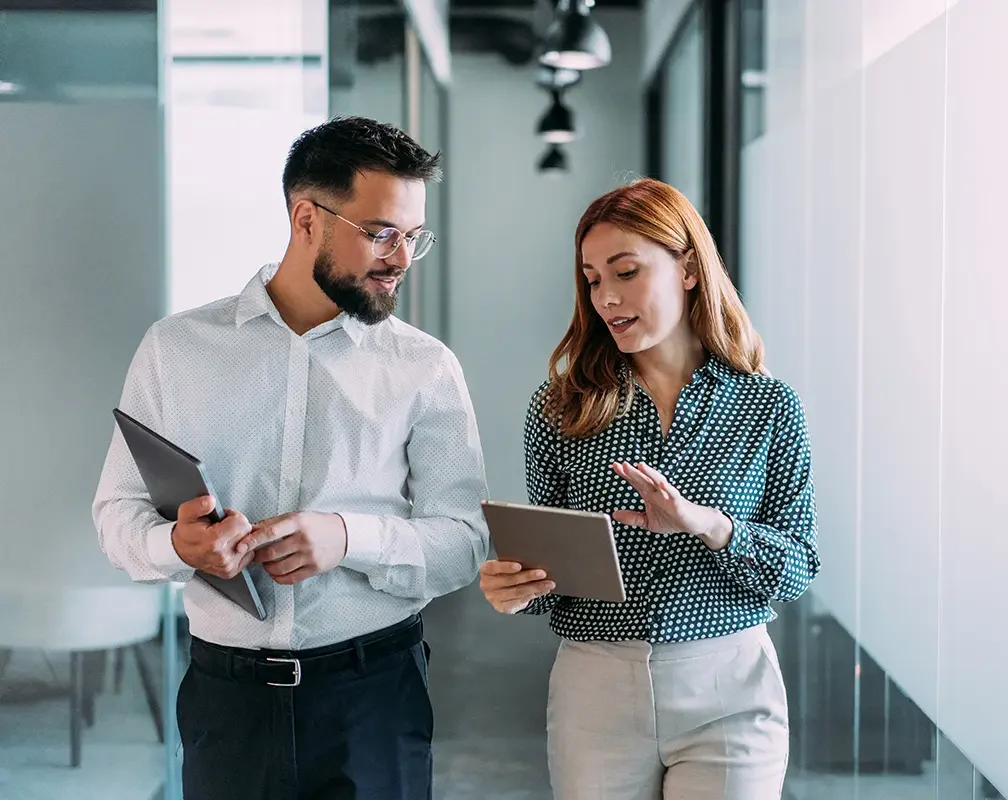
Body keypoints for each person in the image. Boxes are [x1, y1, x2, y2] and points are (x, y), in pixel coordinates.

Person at [93, 116, 490, 800]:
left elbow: (465, 542)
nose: (400, 258)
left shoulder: (424, 367)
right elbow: (116, 515)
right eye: (382, 233)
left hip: (374, 700)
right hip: (226, 703)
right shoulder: (176, 349)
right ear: (307, 219)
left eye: (413, 237)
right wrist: (179, 547)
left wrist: (347, 538)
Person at [479, 178, 819, 799]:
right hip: (596, 691)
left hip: (730, 686)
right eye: (592, 279)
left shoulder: (768, 405)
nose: (606, 297)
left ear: (687, 268)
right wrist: (517, 589)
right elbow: (552, 582)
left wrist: (709, 524)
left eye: (626, 272)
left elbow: (795, 570)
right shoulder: (560, 410)